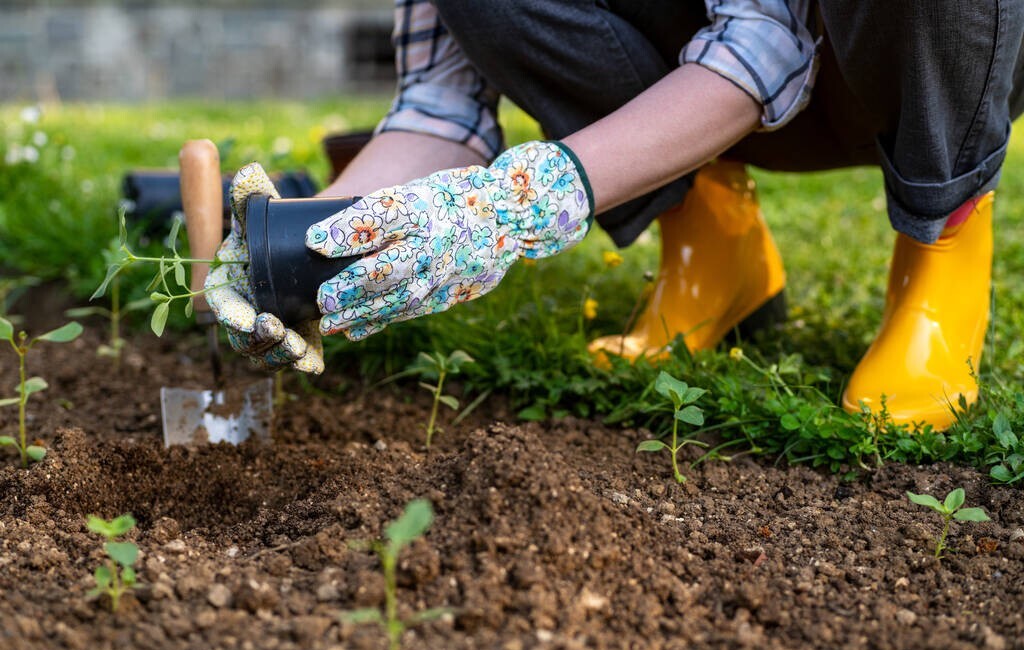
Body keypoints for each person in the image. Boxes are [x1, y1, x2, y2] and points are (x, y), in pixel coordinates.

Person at [205, 0, 1024, 431]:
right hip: (706, 91)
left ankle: (942, 239)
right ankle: (716, 248)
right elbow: (439, 102)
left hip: (910, 51)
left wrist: (520, 201)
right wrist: (301, 245)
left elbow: (762, 38)